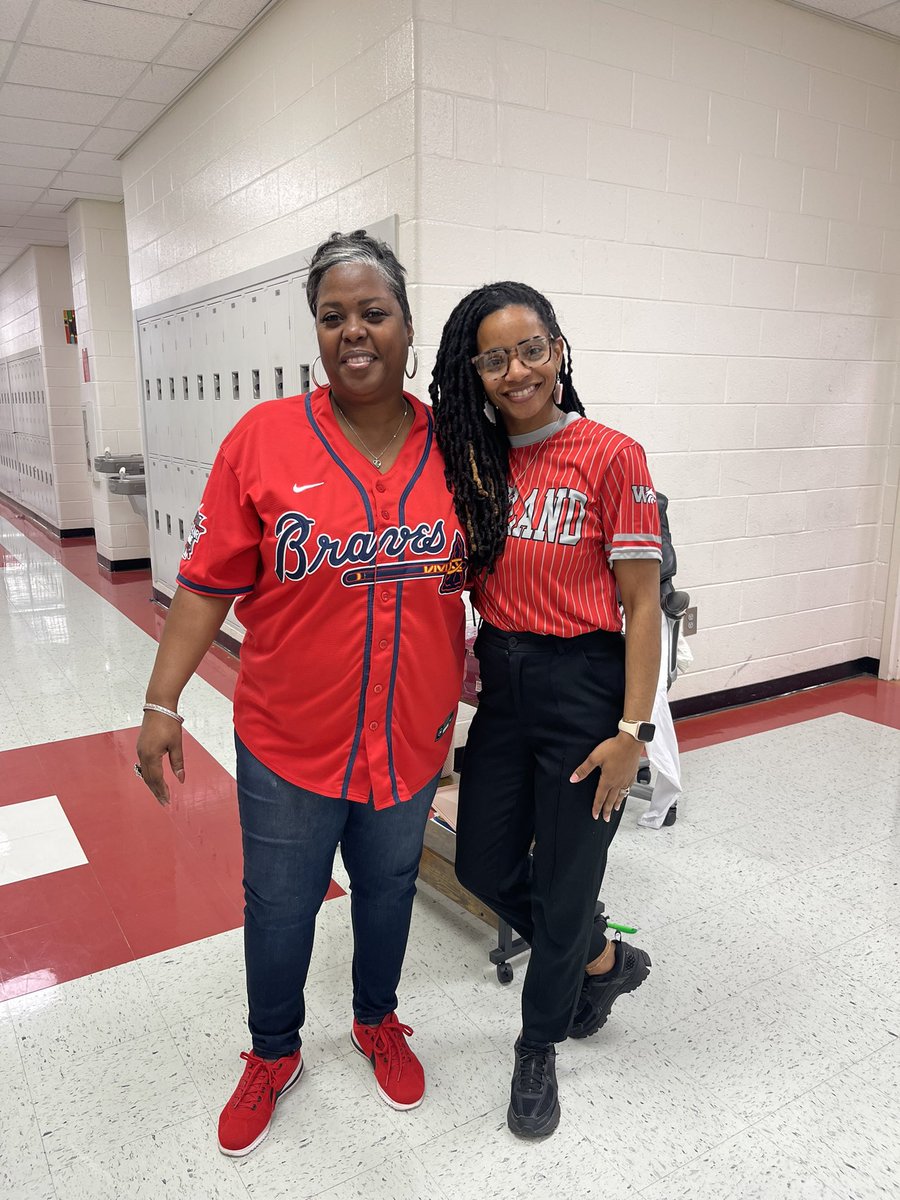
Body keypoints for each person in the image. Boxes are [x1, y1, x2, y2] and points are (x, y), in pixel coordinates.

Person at [135, 231, 466, 1157]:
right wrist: (162, 705)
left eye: (374, 312)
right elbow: (206, 584)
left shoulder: (457, 447)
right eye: (333, 317)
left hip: (408, 733)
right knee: (280, 903)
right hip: (288, 737)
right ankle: (273, 1053)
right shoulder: (263, 441)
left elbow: (497, 575)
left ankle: (375, 1019)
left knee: (391, 886)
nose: (353, 332)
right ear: (315, 332)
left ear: (407, 324)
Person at [431, 282, 661, 1138]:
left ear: (560, 348)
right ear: (476, 372)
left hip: (584, 688)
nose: (516, 370)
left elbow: (642, 605)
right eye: (494, 358)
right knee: (484, 865)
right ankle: (601, 958)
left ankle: (538, 1045)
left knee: (566, 885)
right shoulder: (476, 460)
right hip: (505, 682)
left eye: (532, 349)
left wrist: (632, 734)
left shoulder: (612, 456)